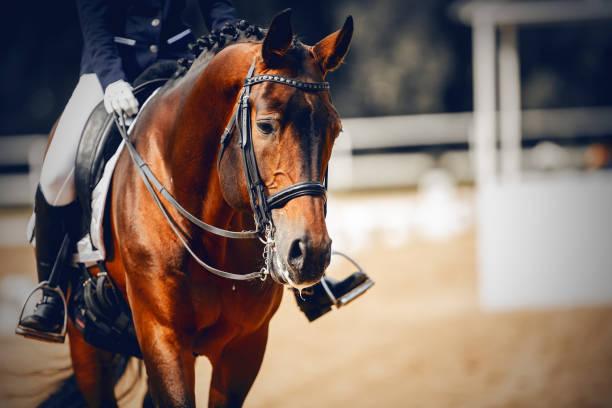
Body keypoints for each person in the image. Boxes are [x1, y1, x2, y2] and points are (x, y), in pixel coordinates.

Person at [18, 0, 370, 342]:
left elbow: (219, 10)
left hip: (183, 64)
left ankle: (308, 279)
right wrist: (111, 79)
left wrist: (242, 54)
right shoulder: (107, 70)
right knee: (54, 174)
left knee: (268, 138)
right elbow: (93, 14)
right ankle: (50, 291)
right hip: (110, 67)